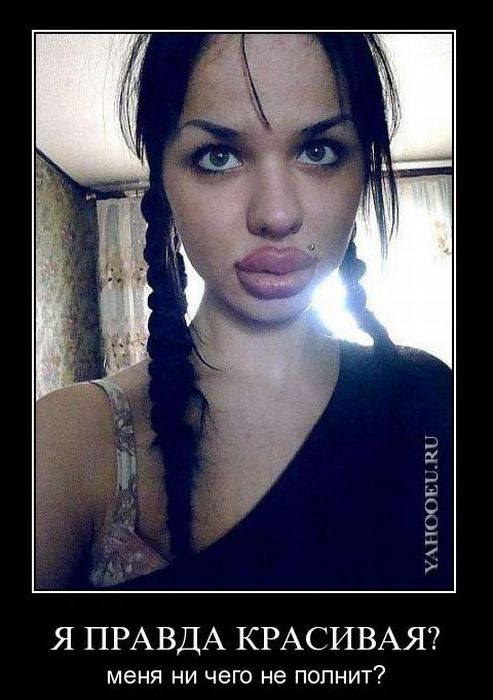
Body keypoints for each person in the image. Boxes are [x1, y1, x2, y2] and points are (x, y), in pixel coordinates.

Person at [36, 32, 453, 591]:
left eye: (319, 151)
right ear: (163, 180)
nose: (276, 215)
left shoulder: (428, 395)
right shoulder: (72, 440)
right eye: (219, 156)